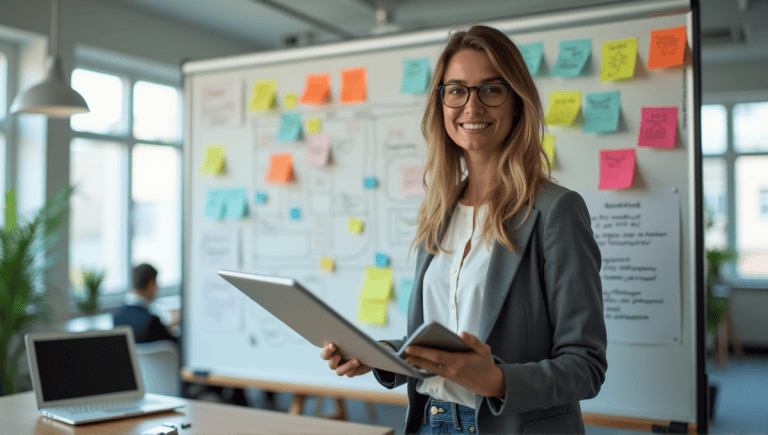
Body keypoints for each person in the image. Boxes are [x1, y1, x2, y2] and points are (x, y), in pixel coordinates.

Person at [320, 25, 607, 434]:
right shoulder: (440, 211)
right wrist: (383, 355)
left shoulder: (556, 211)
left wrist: (494, 379)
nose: (471, 106)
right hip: (431, 422)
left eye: (491, 89)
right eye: (456, 90)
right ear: (441, 104)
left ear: (517, 103)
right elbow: (441, 347)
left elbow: (586, 367)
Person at [113, 263, 179, 344]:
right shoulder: (151, 321)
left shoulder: (117, 316)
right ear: (151, 284)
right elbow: (176, 343)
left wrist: (169, 326)